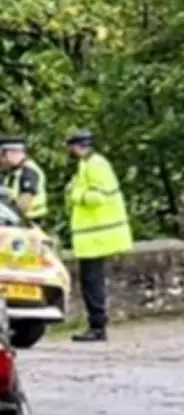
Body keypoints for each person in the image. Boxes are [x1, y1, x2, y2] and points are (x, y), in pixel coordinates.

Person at [65, 130, 133, 342]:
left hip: (97, 237)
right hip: (92, 238)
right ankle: (96, 325)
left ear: (76, 146)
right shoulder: (89, 164)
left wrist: (76, 194)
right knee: (91, 282)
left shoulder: (95, 165)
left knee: (93, 283)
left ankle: (97, 327)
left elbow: (98, 198)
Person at [0, 137, 48, 226]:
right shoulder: (10, 173)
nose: (1, 160)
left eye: (2, 156)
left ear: (11, 154)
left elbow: (24, 203)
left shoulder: (29, 172)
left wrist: (6, 213)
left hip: (29, 223)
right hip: (16, 221)